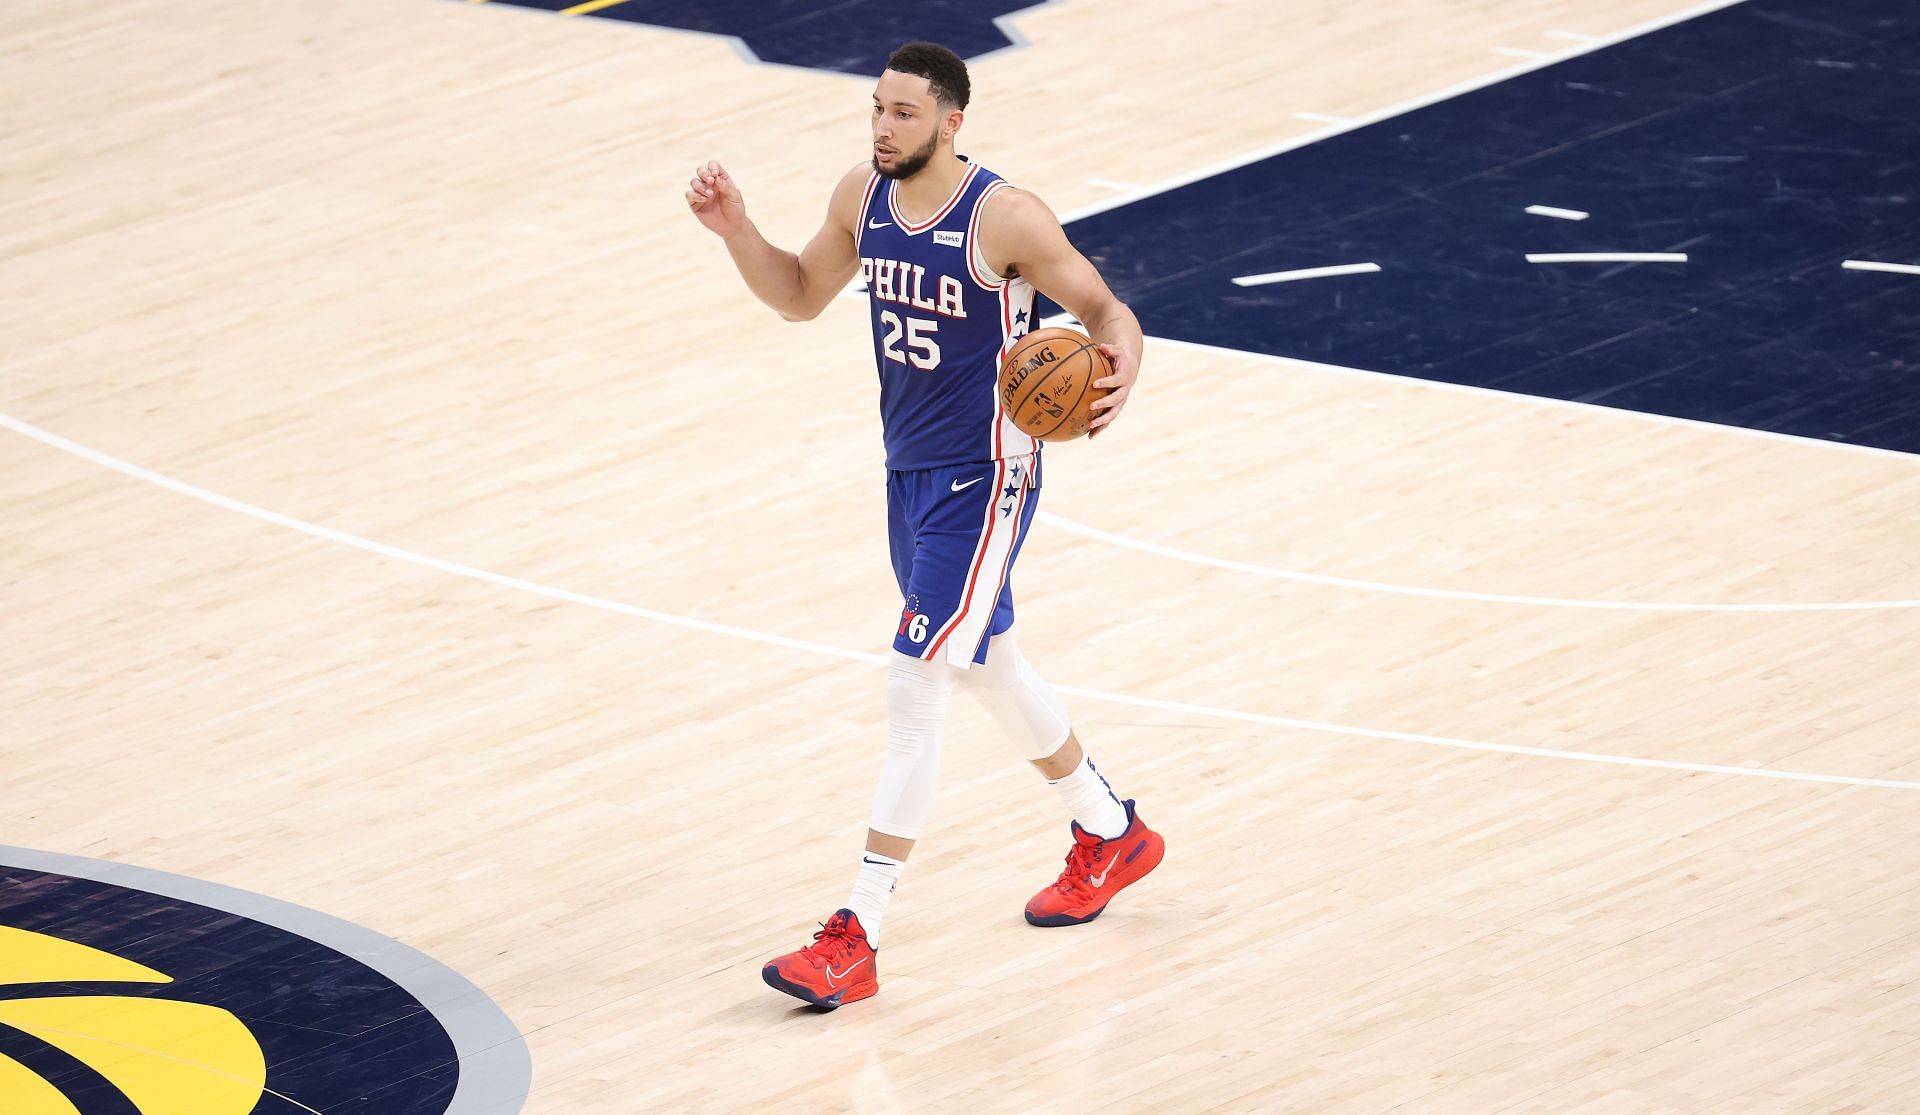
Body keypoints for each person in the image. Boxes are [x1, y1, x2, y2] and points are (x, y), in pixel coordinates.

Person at [686, 40, 1161, 1010]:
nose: (881, 126)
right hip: (907, 474)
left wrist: (1120, 364)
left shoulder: (1004, 216)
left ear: (950, 122)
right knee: (988, 663)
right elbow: (797, 296)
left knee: (917, 678)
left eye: (903, 113)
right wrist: (738, 231)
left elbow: (1107, 307)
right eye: (876, 108)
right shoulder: (861, 196)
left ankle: (856, 931)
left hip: (987, 477)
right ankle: (1111, 831)